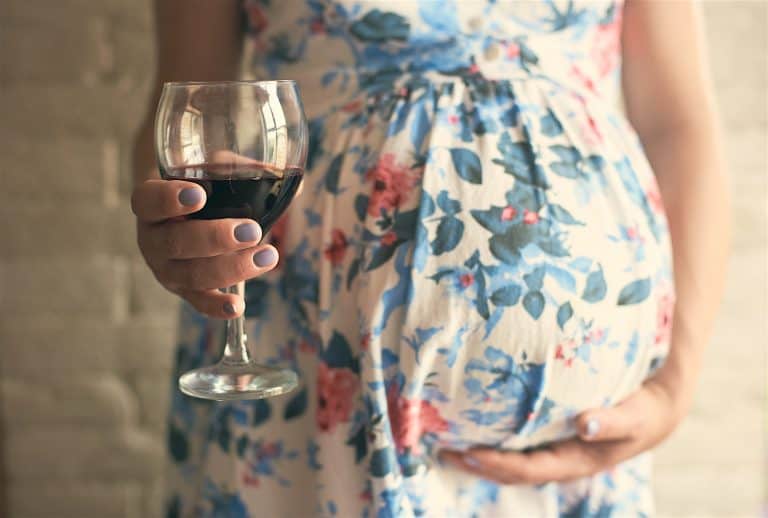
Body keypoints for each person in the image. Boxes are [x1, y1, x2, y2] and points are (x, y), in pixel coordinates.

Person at [131, 0, 729, 516]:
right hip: (305, 354)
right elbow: (184, 109)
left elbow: (679, 123)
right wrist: (180, 240)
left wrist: (676, 384)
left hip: (584, 431)